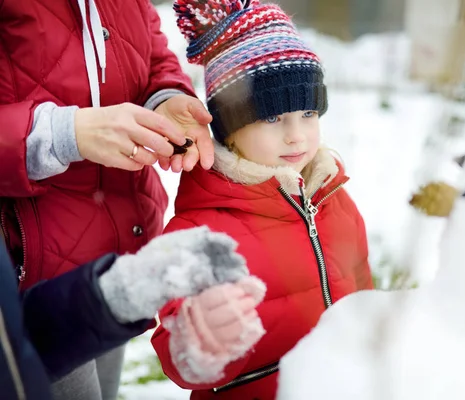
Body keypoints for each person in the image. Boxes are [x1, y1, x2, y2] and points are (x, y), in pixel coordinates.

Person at [151, 0, 374, 398]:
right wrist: (200, 342)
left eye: (308, 113)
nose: (297, 135)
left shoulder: (334, 198)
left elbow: (362, 297)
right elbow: (179, 358)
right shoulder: (199, 233)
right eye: (272, 118)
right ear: (229, 129)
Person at [0, 1, 214, 398]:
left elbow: (151, 53)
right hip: (30, 278)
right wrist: (67, 133)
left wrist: (164, 98)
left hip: (113, 258)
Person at [0, 226, 256, 400]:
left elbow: (9, 334)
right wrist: (65, 145)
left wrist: (117, 292)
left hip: (93, 283)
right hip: (50, 273)